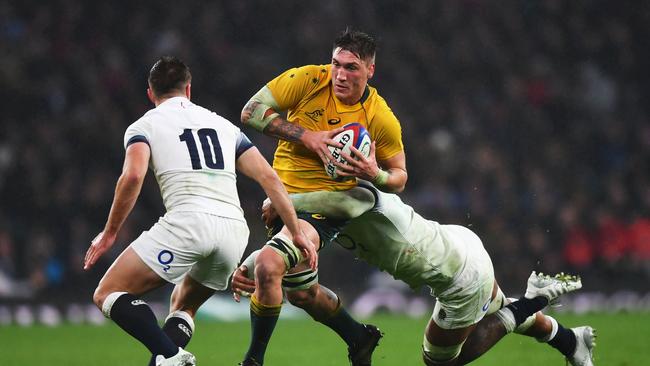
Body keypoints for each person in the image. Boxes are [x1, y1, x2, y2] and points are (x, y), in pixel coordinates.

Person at [82, 56, 317, 366]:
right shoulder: (224, 126)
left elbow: (133, 176)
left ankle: (172, 355)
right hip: (234, 231)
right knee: (183, 304)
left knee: (108, 292)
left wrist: (110, 233)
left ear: (151, 94)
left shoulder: (145, 125)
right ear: (189, 89)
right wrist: (296, 232)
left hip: (189, 222)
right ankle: (168, 358)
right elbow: (269, 178)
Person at [233, 182, 597, 366]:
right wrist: (248, 266)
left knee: (439, 361)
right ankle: (569, 340)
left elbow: (344, 203)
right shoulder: (321, 208)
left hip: (459, 276)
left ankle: (528, 303)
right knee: (492, 302)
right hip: (457, 242)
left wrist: (283, 199)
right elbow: (283, 248)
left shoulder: (356, 193)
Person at [237, 28, 407, 366]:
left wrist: (375, 174)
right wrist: (308, 137)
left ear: (370, 70)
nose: (341, 75)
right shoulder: (308, 80)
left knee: (269, 266)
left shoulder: (379, 116)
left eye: (352, 68)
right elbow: (250, 111)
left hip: (324, 207)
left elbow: (399, 177)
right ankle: (359, 337)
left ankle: (252, 361)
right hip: (282, 198)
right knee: (302, 293)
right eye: (336, 64)